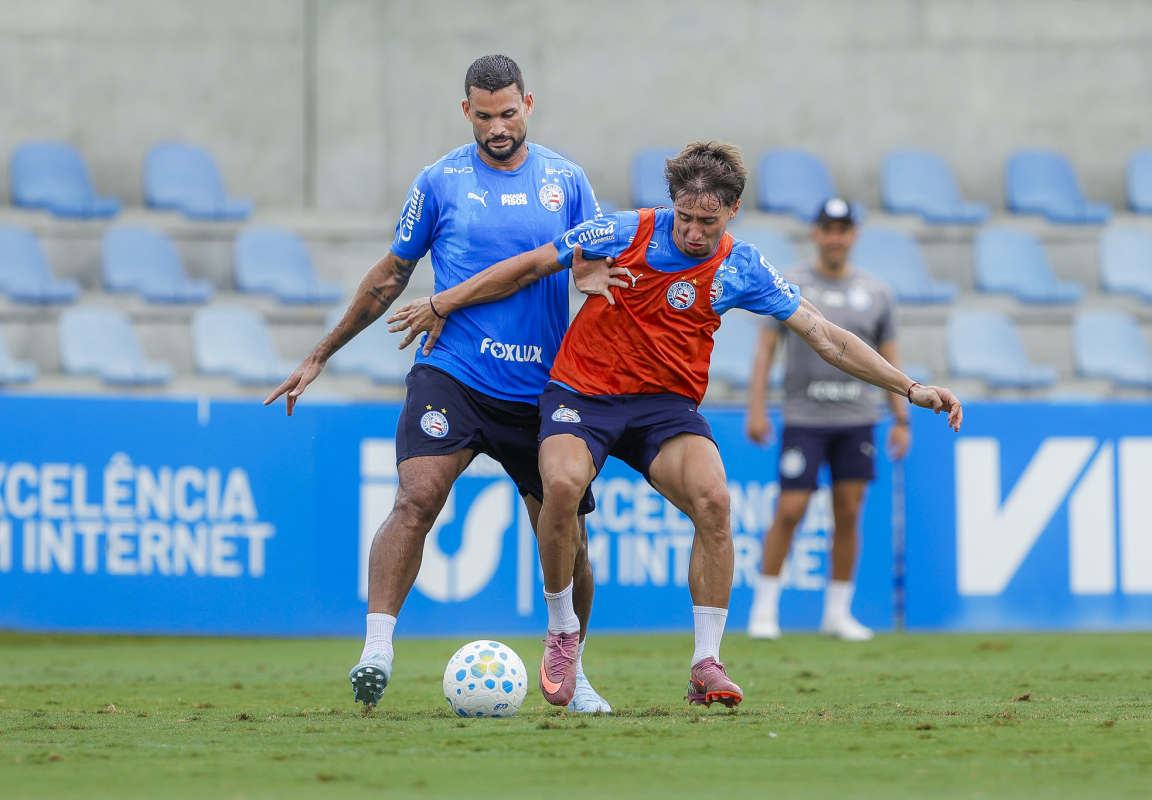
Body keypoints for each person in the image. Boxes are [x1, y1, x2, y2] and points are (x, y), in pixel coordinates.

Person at [388, 141, 963, 709]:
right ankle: (563, 630)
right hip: (583, 394)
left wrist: (910, 388)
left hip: (663, 407)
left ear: (731, 211)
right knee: (561, 487)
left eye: (706, 221)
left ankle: (705, 664)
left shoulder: (741, 266)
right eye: (684, 217)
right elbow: (531, 265)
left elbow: (826, 336)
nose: (692, 231)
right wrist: (443, 303)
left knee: (714, 500)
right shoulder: (625, 231)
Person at [265, 55, 612, 712]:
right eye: (485, 116)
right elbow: (390, 275)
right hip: (453, 371)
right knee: (415, 498)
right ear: (466, 112)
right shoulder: (439, 181)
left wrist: (595, 297)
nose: (498, 126)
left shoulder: (567, 183)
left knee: (568, 532)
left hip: (539, 388)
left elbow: (592, 269)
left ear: (528, 103)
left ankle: (575, 668)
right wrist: (321, 353)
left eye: (509, 112)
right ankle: (376, 650)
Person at [744, 198, 909, 642]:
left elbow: (888, 356)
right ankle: (764, 609)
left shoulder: (876, 293)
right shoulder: (792, 282)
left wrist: (901, 416)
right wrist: (756, 407)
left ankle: (837, 612)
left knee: (849, 512)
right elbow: (766, 349)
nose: (835, 237)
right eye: (827, 228)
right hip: (804, 416)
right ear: (816, 234)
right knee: (791, 509)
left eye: (843, 229)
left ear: (853, 236)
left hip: (857, 417)